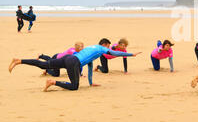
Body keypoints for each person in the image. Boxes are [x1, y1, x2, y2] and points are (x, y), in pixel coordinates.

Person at [8, 38, 141, 91]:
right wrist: (131, 55)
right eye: (107, 46)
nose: (108, 48)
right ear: (105, 45)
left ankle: (19, 61)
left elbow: (89, 68)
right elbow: (115, 53)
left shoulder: (91, 48)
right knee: (74, 86)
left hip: (68, 58)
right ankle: (52, 82)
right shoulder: (102, 49)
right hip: (73, 62)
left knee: (45, 65)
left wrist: (90, 83)